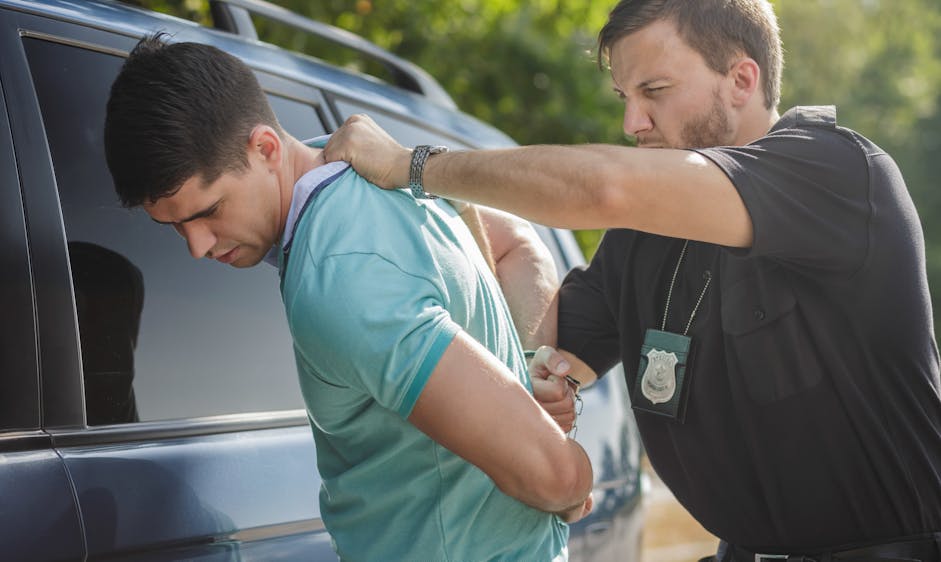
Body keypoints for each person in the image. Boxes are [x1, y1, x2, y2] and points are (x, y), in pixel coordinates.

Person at [322, 0, 941, 559]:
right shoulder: (648, 231)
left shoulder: (835, 169)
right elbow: (556, 342)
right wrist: (527, 295)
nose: (632, 122)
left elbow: (604, 188)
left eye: (655, 90)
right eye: (624, 97)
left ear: (742, 80)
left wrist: (414, 165)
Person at [103, 34, 594, 561]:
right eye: (175, 227)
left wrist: (568, 484)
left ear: (266, 148)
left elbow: (554, 474)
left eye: (208, 211)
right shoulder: (377, 168)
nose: (197, 247)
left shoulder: (341, 278)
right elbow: (516, 243)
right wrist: (524, 371)